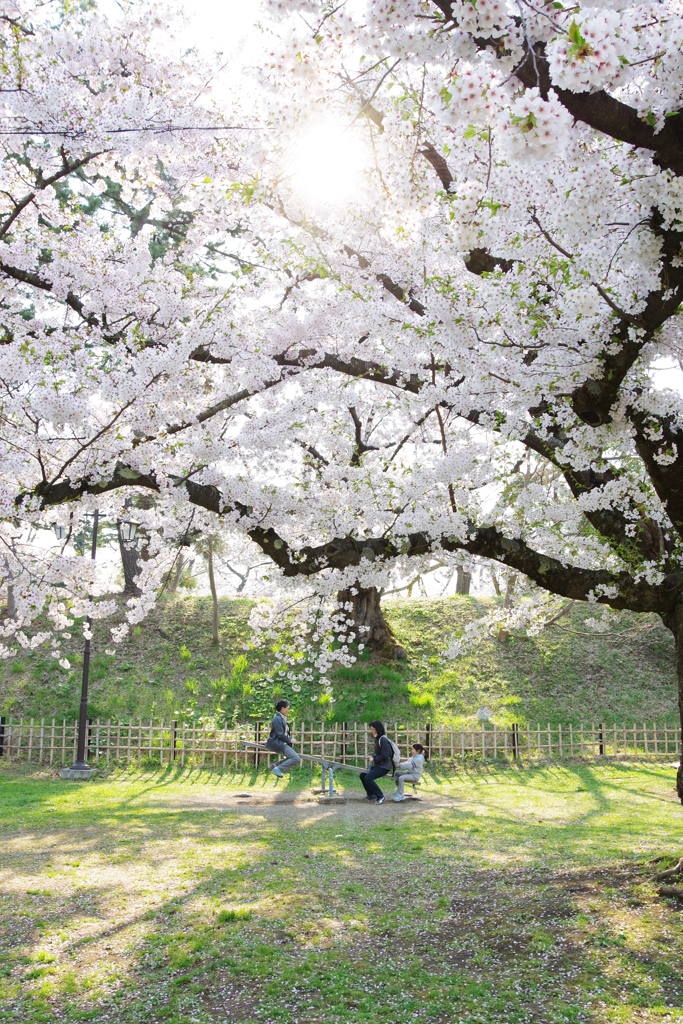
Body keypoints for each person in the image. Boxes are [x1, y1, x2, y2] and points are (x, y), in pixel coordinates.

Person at [359, 721, 393, 804]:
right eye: (371, 729)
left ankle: (380, 796)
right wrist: (374, 757)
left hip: (385, 766)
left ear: (378, 729)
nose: (371, 731)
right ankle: (371, 794)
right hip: (380, 765)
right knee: (363, 775)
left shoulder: (383, 739)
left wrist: (374, 759)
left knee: (368, 777)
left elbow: (385, 756)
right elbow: (379, 754)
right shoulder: (378, 739)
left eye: (373, 729)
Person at [265, 699, 300, 777]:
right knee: (296, 758)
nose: (288, 710)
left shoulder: (281, 718)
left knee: (292, 756)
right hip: (278, 742)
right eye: (287, 708)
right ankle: (278, 768)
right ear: (282, 708)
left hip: (281, 742)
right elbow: (280, 734)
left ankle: (275, 766)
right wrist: (290, 740)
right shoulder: (277, 719)